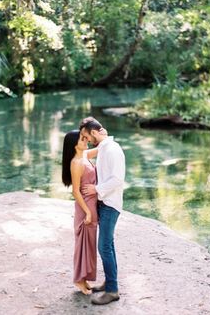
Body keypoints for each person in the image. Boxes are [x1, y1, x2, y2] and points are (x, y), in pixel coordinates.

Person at [80, 117, 125, 305]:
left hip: (110, 204)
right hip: (104, 202)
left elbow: (117, 179)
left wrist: (95, 189)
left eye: (87, 136)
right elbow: (83, 155)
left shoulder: (112, 150)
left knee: (104, 246)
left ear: (95, 132)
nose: (87, 140)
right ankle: (109, 282)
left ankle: (113, 290)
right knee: (109, 245)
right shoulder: (104, 147)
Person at [62, 130, 99, 295]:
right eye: (82, 139)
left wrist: (102, 134)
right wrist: (87, 212)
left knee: (90, 244)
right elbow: (75, 191)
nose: (86, 140)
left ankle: (84, 278)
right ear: (73, 144)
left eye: (86, 138)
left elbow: (103, 147)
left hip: (92, 204)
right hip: (85, 207)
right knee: (83, 244)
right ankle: (78, 280)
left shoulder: (84, 155)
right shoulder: (76, 162)